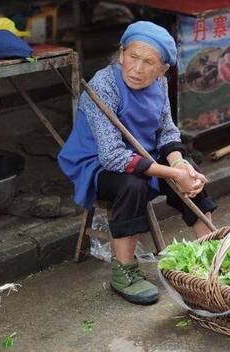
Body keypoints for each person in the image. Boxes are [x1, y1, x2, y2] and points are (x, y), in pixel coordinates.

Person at [58, 21, 217, 305]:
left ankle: (211, 252)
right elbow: (112, 157)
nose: (137, 68)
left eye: (149, 62)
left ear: (162, 69)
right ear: (121, 54)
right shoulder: (103, 86)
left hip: (142, 153)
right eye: (133, 57)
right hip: (96, 163)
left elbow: (166, 131)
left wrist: (180, 165)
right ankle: (124, 272)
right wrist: (170, 172)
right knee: (133, 186)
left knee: (192, 173)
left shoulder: (160, 84)